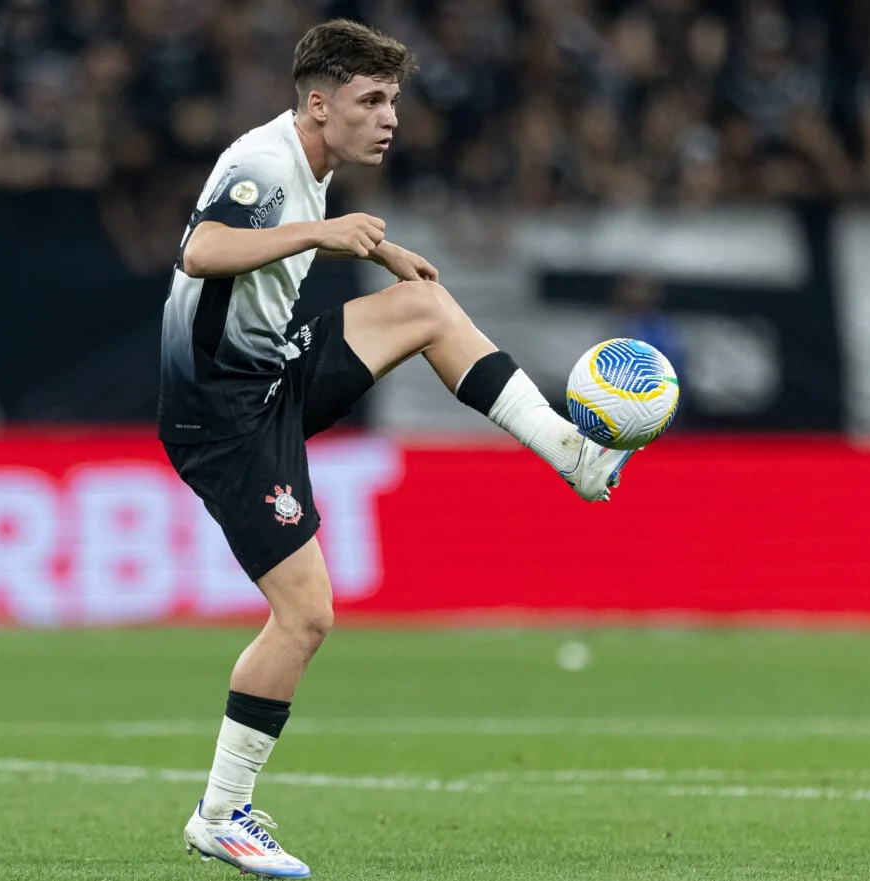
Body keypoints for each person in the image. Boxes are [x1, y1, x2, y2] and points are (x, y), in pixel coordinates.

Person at [159, 18, 637, 879]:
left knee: (424, 304)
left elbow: (293, 235)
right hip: (222, 415)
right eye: (371, 100)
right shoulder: (262, 163)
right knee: (306, 615)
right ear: (317, 102)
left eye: (393, 101)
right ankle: (221, 813)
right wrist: (322, 235)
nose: (389, 118)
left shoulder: (310, 164)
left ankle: (573, 453)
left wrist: (376, 245)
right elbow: (201, 251)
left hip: (271, 372)